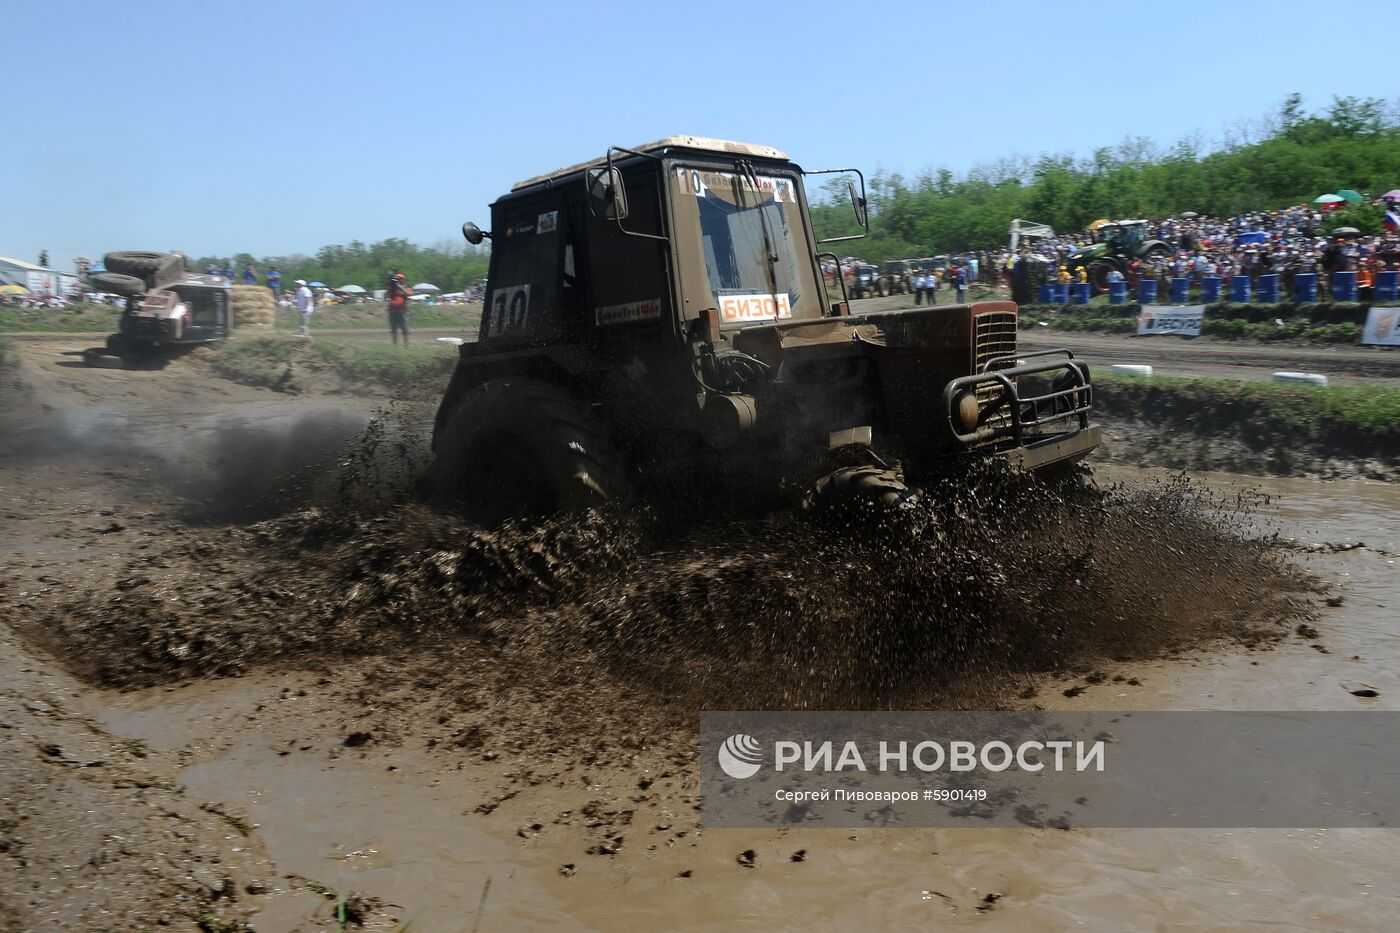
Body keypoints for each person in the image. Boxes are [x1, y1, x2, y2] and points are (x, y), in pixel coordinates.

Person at [386, 271, 412, 345]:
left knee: (405, 329)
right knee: (393, 330)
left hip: (402, 311)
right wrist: (391, 286)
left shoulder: (405, 287)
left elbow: (409, 293)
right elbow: (386, 295)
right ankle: (395, 346)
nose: (400, 280)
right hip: (393, 312)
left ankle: (406, 345)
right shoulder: (392, 288)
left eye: (401, 279)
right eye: (398, 279)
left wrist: (400, 287)